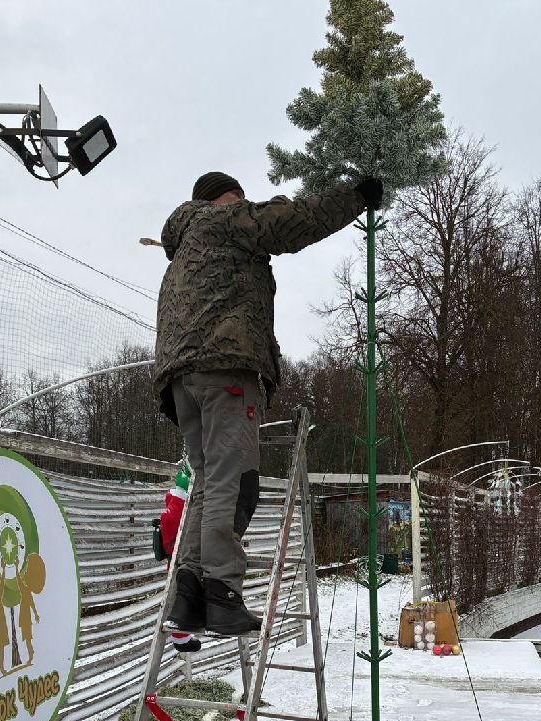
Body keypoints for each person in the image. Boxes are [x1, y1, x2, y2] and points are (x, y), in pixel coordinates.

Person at [153, 170, 382, 636]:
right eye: (239, 197)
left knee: (206, 483)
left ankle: (190, 591)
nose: (245, 203)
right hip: (225, 371)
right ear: (223, 199)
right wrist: (356, 196)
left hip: (182, 379)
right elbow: (292, 221)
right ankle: (223, 591)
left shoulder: (183, 252)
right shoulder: (220, 221)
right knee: (235, 484)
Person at [157, 466, 200, 653]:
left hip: (178, 557)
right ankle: (182, 632)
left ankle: (182, 632)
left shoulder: (175, 505)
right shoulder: (177, 507)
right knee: (182, 594)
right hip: (181, 558)